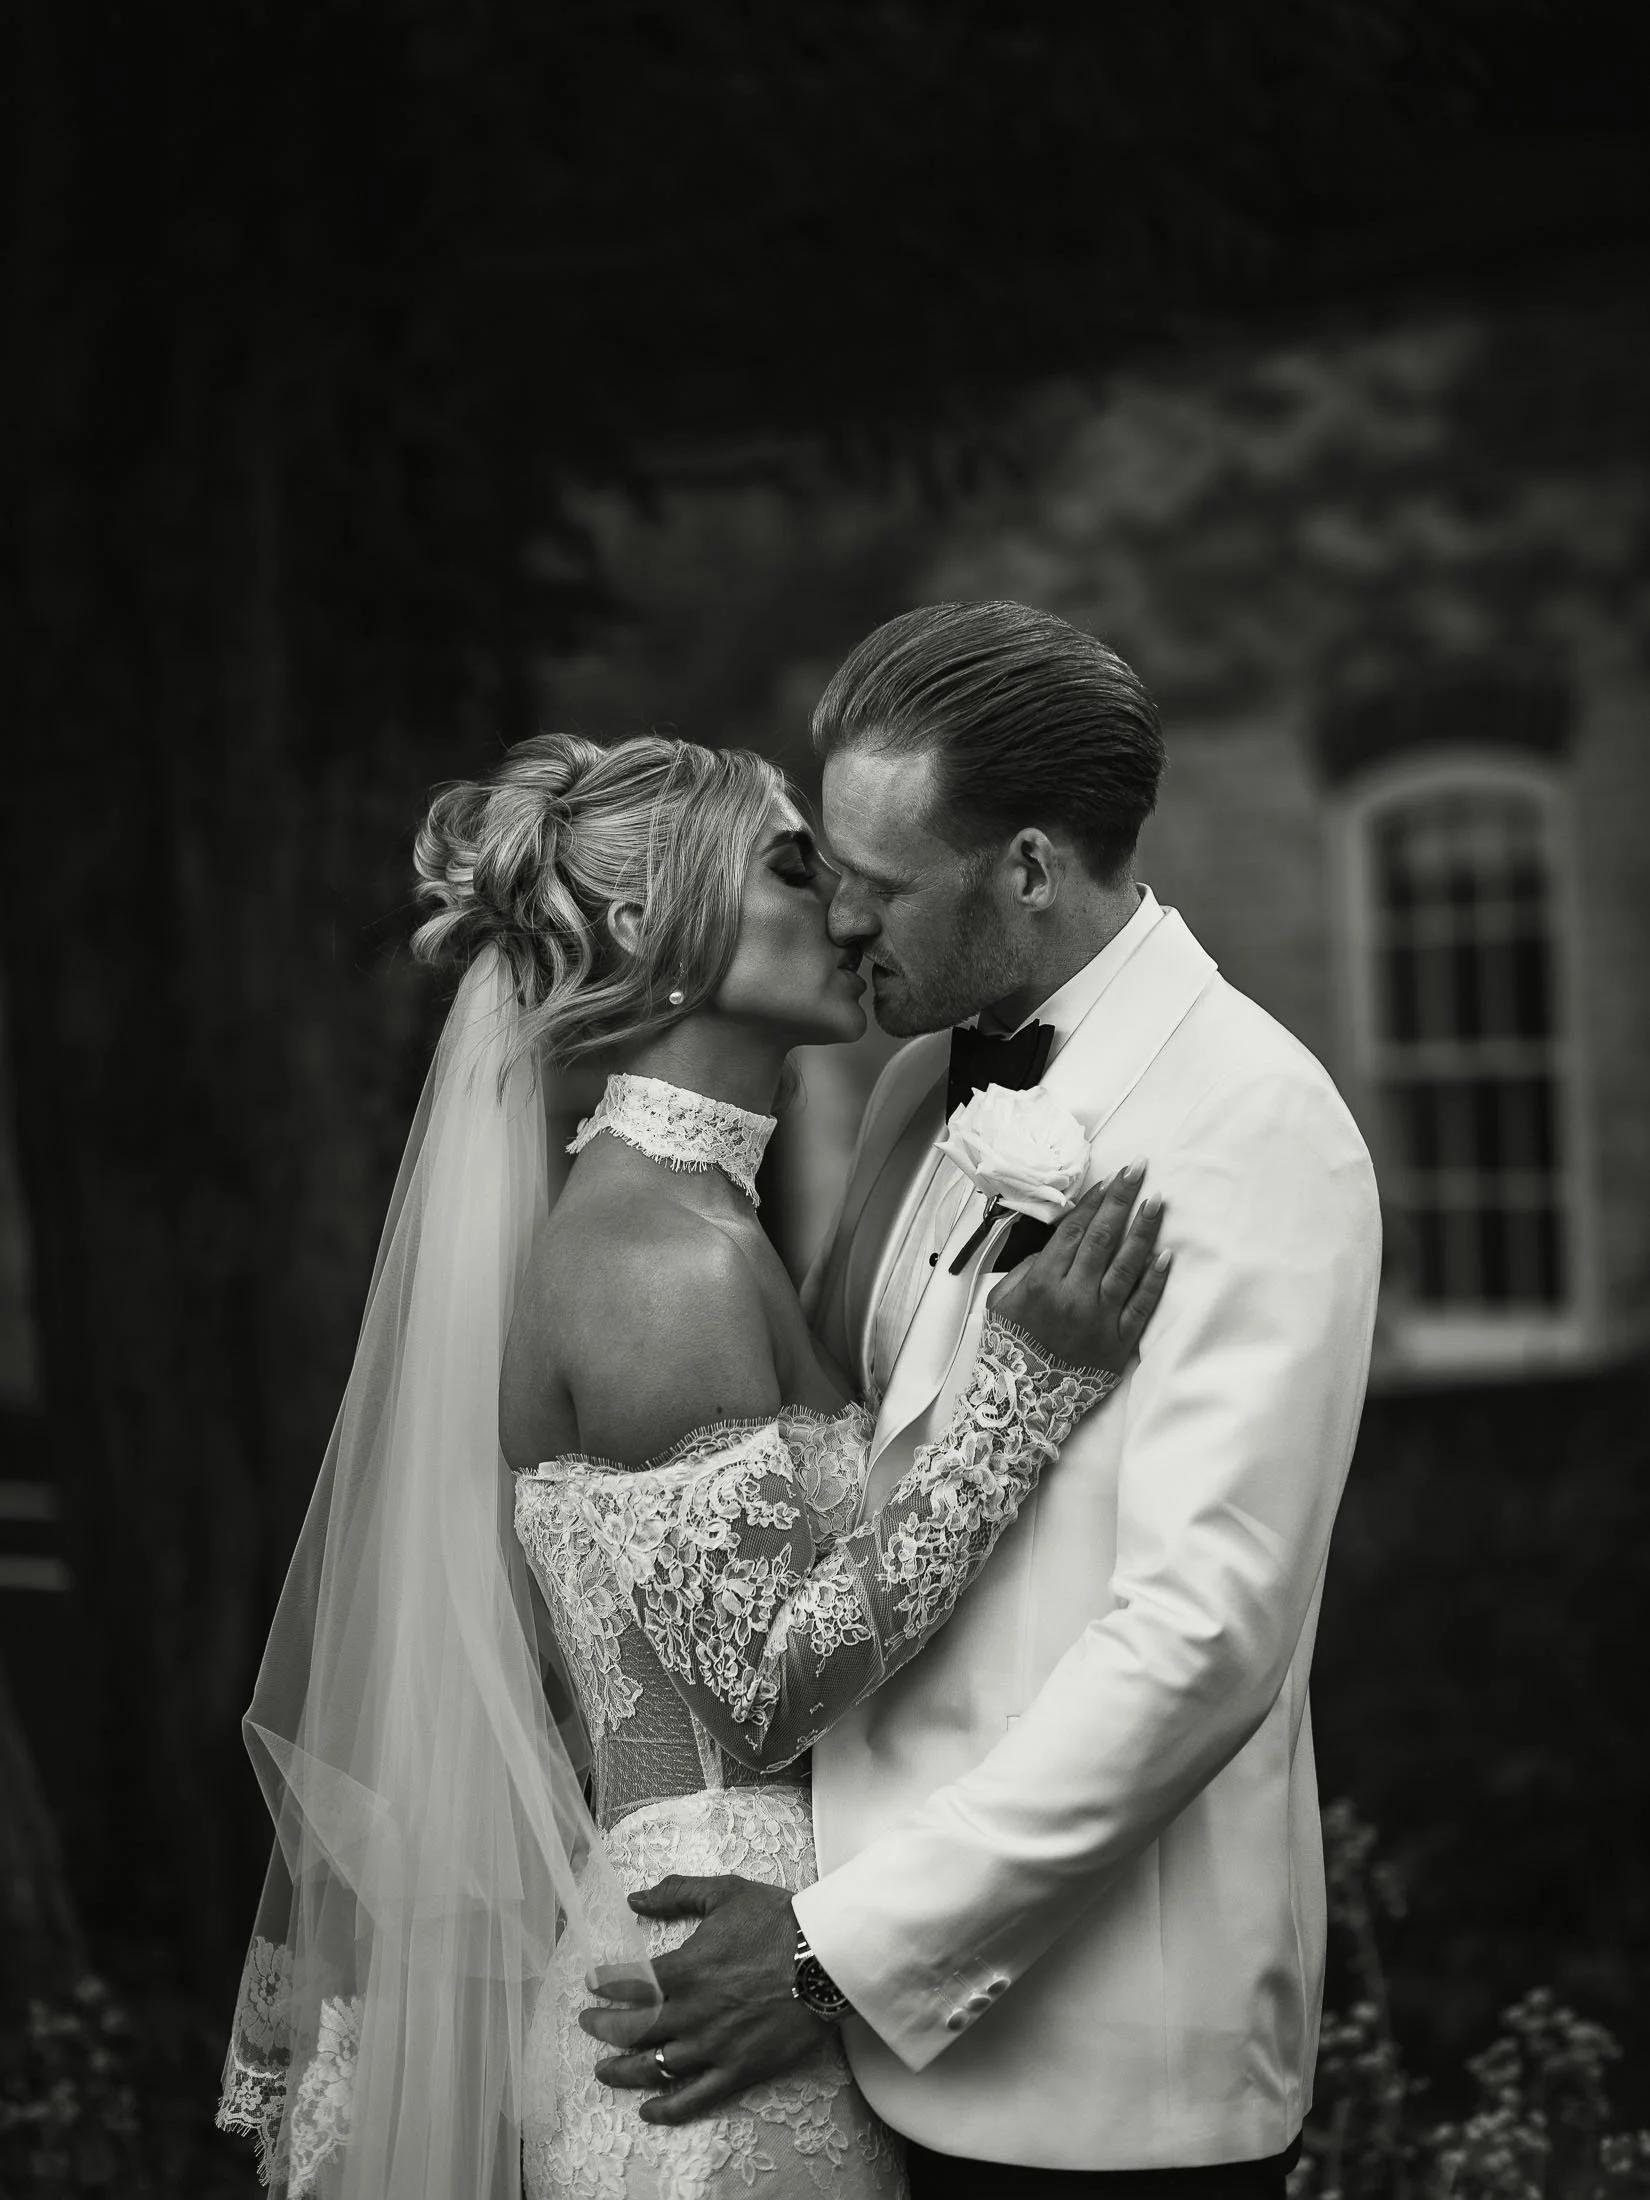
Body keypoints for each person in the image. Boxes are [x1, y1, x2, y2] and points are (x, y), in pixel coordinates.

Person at [218, 727, 1167, 2199]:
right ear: (656, 929)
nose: (850, 905)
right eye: (798, 864)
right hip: (714, 2009)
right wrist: (1021, 1398)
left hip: (765, 1953)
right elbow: (765, 1677)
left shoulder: (703, 1222)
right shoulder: (653, 1258)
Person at [581, 603, 1383, 2200]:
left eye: (874, 885)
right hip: (873, 2050)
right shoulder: (906, 1087)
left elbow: (1197, 1644)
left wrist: (829, 1951)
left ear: (1025, 868)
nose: (838, 917)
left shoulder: (1253, 1124)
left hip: (1092, 2080)